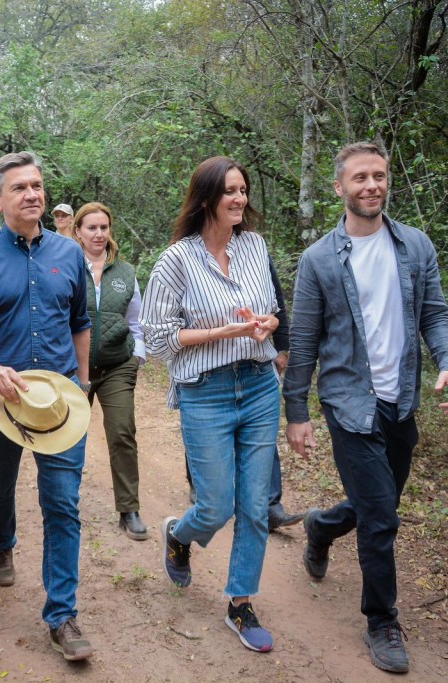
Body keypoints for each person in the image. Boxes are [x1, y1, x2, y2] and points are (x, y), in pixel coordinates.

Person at [283, 142, 448, 674]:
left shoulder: (414, 246)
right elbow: (306, 338)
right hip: (349, 404)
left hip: (401, 402)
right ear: (340, 188)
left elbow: (435, 312)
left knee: (375, 505)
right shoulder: (319, 259)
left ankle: (321, 526)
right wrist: (296, 412)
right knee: (382, 518)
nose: (372, 186)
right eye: (360, 178)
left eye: (379, 176)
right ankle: (382, 621)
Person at [0, 151, 95, 662]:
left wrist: (84, 382)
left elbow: (80, 323)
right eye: (20, 188)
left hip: (59, 404)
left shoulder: (69, 254)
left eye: (37, 185)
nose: (32, 194)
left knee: (61, 504)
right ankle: (1, 543)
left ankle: (63, 615)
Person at [141, 156, 282, 653]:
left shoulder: (256, 247)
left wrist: (266, 324)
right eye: (229, 191)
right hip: (207, 391)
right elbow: (156, 341)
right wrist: (222, 333)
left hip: (261, 386)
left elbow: (270, 312)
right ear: (206, 199)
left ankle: (240, 604)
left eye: (243, 190)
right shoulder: (175, 260)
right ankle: (179, 536)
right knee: (217, 504)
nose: (240, 199)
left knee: (255, 506)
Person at [183, 257, 304, 532]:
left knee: (260, 436)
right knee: (205, 438)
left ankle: (270, 505)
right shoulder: (187, 255)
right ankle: (201, 487)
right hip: (205, 370)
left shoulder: (256, 251)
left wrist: (282, 347)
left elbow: (278, 303)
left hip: (255, 364)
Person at [71, 202, 148, 541]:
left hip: (117, 365)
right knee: (68, 435)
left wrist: (137, 358)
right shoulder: (66, 268)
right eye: (92, 228)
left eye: (104, 227)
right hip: (75, 368)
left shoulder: (126, 273)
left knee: (122, 433)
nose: (99, 234)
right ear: (78, 232)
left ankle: (128, 509)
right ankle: (64, 504)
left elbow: (137, 322)